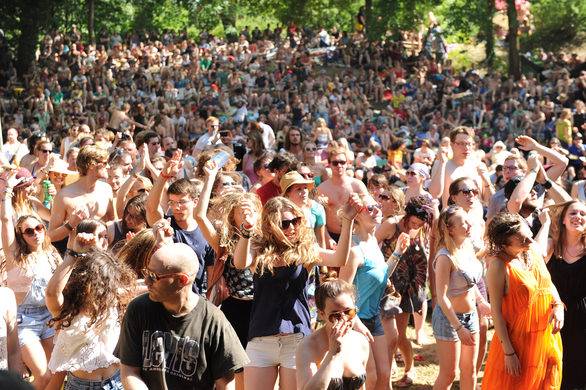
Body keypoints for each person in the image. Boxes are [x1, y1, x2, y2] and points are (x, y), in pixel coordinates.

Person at [233, 193, 364, 390]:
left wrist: (348, 221)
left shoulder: (305, 251)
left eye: (295, 221)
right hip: (261, 340)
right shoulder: (259, 251)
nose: (292, 227)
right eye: (284, 223)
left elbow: (339, 259)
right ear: (269, 225)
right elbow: (240, 263)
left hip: (295, 338)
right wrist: (247, 231)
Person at [117, 241, 249, 389]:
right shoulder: (138, 309)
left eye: (154, 276)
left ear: (182, 280)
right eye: (147, 273)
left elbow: (226, 383)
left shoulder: (213, 321)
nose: (146, 281)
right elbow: (129, 370)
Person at [45, 224, 134, 390]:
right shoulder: (67, 310)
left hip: (117, 381)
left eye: (108, 283)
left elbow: (148, 286)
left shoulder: (112, 301)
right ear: (83, 280)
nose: (104, 288)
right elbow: (51, 294)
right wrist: (73, 254)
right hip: (82, 386)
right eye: (99, 282)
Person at [483, 212, 563, 389]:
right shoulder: (498, 266)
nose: (530, 242)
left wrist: (557, 305)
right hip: (518, 343)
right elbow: (495, 312)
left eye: (529, 235)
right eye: (522, 241)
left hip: (545, 336)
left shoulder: (532, 249)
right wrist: (509, 353)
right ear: (505, 245)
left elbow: (547, 282)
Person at [339, 194, 409, 390]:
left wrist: (397, 253)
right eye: (370, 208)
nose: (377, 210)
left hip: (373, 318)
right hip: (355, 321)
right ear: (357, 216)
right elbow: (342, 293)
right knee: (368, 378)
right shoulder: (354, 250)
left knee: (384, 375)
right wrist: (356, 323)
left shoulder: (372, 243)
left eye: (377, 206)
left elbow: (382, 276)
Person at [0, 169, 62, 389]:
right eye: (29, 231)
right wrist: (6, 190)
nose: (36, 232)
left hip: (48, 317)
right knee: (43, 376)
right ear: (21, 236)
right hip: (25, 322)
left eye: (39, 228)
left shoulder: (51, 254)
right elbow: (6, 219)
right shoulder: (15, 257)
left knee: (57, 372)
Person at [374, 195, 434, 388]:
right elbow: (370, 243)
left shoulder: (424, 227)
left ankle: (409, 369)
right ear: (406, 215)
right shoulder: (391, 224)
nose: (414, 227)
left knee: (400, 335)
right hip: (389, 284)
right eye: (413, 222)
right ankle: (388, 369)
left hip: (409, 285)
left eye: (419, 223)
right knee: (387, 335)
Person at [432, 206, 490, 390]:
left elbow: (471, 283)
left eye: (468, 220)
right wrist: (458, 327)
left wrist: (481, 302)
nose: (469, 224)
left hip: (471, 316)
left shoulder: (467, 248)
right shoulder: (444, 257)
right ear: (450, 229)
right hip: (449, 320)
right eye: (463, 222)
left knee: (470, 370)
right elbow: (442, 297)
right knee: (449, 375)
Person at [146, 149, 215, 295]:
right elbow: (151, 209)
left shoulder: (205, 231)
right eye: (172, 202)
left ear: (195, 201)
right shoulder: (166, 227)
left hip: (194, 300)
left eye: (182, 202)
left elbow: (211, 276)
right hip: (167, 298)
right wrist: (164, 176)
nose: (176, 207)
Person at [295, 278, 369, 390]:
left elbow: (361, 387)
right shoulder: (308, 345)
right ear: (322, 314)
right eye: (335, 315)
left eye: (349, 312)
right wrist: (332, 354)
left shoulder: (361, 341)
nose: (344, 319)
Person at [546, 200, 586, 390]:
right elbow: (536, 257)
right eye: (572, 213)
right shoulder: (552, 246)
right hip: (554, 316)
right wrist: (545, 224)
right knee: (558, 371)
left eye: (583, 214)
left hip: (583, 317)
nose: (578, 217)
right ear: (562, 219)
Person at [48, 145, 114, 254]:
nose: (108, 167)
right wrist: (71, 224)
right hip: (75, 255)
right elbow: (51, 236)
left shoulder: (106, 190)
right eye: (105, 163)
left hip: (101, 256)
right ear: (91, 165)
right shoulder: (64, 196)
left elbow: (112, 223)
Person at [317, 148, 369, 246]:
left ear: (347, 163)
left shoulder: (357, 185)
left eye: (342, 162)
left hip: (355, 235)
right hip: (332, 236)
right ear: (329, 164)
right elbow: (319, 218)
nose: (339, 166)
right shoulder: (322, 188)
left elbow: (369, 208)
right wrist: (327, 238)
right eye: (335, 163)